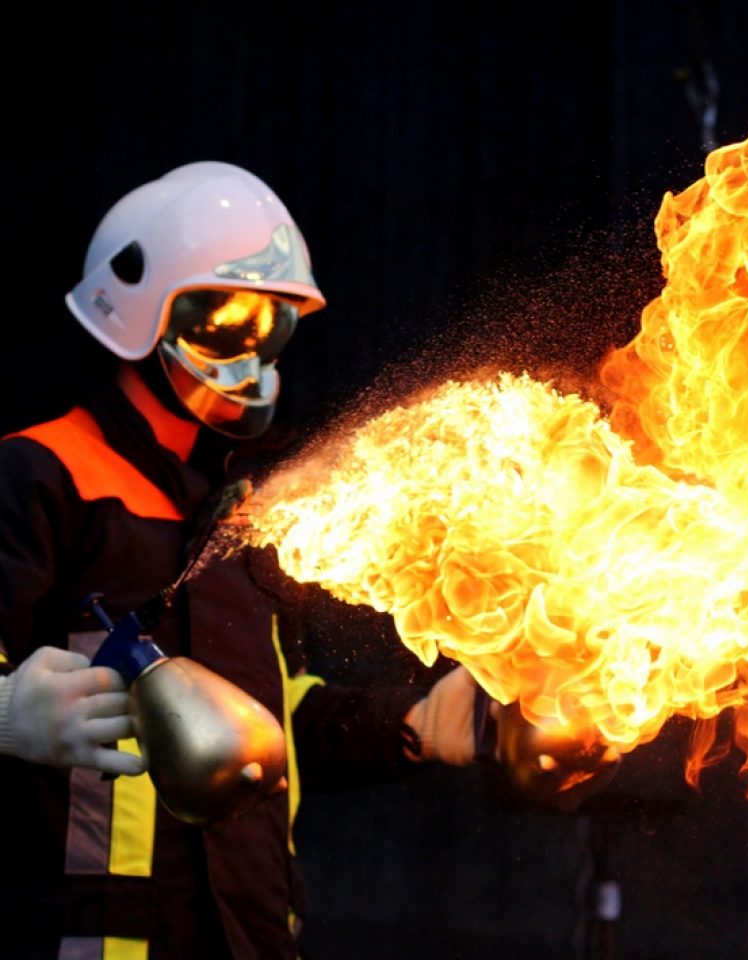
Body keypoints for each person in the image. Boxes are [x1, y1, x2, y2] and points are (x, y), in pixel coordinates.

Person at [0, 161, 615, 960]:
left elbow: (267, 729)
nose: (255, 353)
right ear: (141, 317)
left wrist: (417, 723)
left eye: (275, 325)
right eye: (226, 318)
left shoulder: (249, 510)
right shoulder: (43, 473)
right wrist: (9, 713)